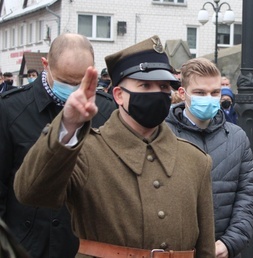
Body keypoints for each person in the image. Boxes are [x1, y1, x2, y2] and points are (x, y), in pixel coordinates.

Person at [13, 35, 215, 257]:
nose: (157, 93)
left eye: (164, 86)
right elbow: (30, 192)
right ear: (119, 95)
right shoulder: (85, 152)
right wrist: (67, 124)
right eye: (145, 85)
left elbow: (205, 248)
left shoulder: (195, 159)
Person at [0, 33, 116, 258]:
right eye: (66, 81)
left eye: (81, 81)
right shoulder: (10, 109)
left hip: (85, 246)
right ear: (46, 65)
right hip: (28, 245)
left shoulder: (107, 111)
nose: (74, 90)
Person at [166, 58, 253, 258]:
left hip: (223, 250)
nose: (209, 98)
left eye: (215, 92)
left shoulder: (237, 137)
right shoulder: (162, 135)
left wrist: (230, 242)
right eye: (200, 93)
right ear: (183, 94)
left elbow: (248, 194)